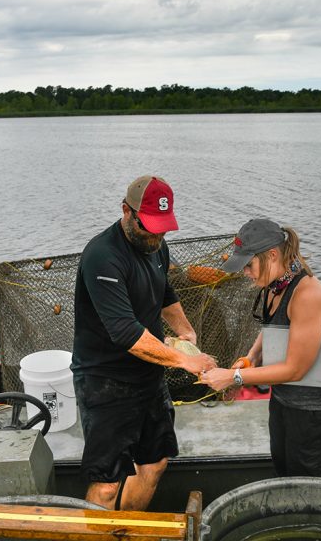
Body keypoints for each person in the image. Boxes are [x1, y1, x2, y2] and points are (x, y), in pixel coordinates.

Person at [71, 175, 216, 511]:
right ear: (126, 211)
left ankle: (125, 530)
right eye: (150, 227)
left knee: (154, 464)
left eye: (163, 228)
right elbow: (125, 333)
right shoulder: (102, 256)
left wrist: (186, 331)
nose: (157, 236)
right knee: (107, 483)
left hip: (149, 375)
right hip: (104, 380)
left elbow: (165, 293)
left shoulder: (157, 245)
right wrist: (184, 361)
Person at [199, 218, 321, 479]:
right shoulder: (274, 284)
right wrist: (251, 357)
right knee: (282, 463)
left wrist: (233, 377)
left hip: (315, 405)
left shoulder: (307, 296)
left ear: (271, 255)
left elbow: (295, 370)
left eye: (249, 265)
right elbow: (272, 326)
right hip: (285, 396)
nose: (246, 272)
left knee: (305, 474)